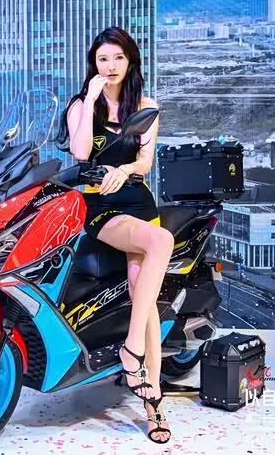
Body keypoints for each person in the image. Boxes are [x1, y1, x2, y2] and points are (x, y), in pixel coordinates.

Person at [55, 26, 174, 444]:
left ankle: (152, 402)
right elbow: (80, 152)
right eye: (102, 59)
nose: (110, 66)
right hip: (99, 208)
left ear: (130, 61)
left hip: (137, 203)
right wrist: (90, 99)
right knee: (161, 243)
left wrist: (123, 170)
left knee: (145, 300)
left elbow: (145, 162)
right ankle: (132, 352)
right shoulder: (80, 105)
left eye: (118, 58)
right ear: (93, 63)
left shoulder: (146, 106)